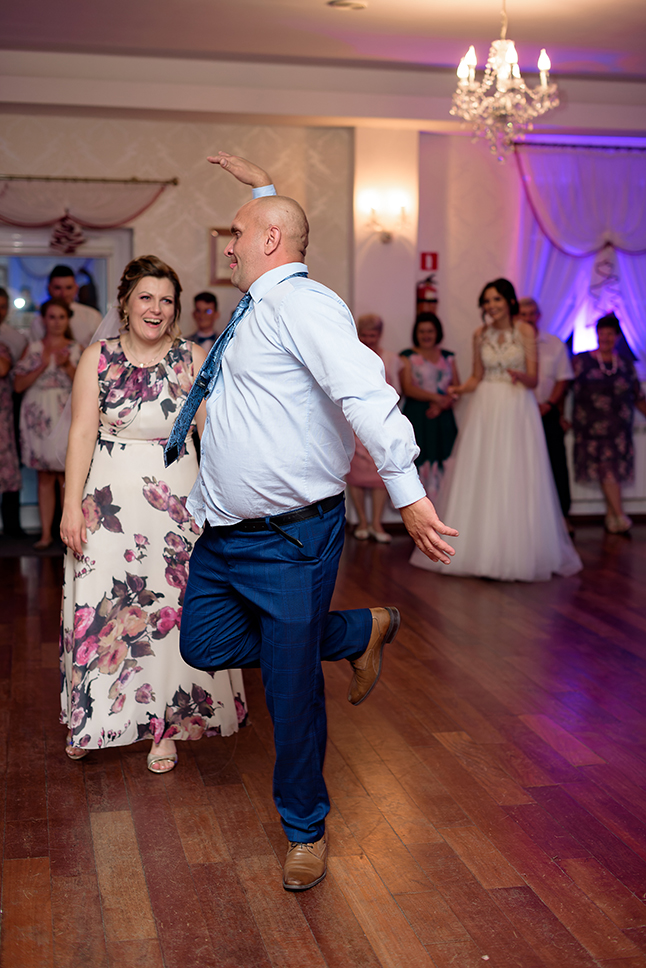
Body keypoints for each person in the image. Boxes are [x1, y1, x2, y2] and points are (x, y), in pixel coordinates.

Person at [163, 151, 457, 892]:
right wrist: (263, 189)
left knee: (290, 692)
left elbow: (365, 391)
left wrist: (406, 491)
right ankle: (357, 632)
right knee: (203, 643)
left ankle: (305, 830)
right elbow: (276, 228)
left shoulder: (304, 304)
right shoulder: (260, 304)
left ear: (268, 242)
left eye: (237, 233)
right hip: (225, 535)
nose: (227, 245)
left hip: (290, 537)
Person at [59, 255, 248, 771]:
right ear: (125, 302)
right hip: (106, 507)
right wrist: (70, 507)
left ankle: (164, 727)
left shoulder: (192, 358)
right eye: (146, 297)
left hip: (177, 510)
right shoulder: (96, 358)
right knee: (102, 610)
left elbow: (212, 435)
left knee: (174, 612)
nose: (156, 309)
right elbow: (81, 433)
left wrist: (225, 508)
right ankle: (93, 719)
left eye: (166, 300)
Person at [410, 278, 581, 582]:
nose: (491, 306)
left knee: (515, 472)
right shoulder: (480, 334)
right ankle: (478, 550)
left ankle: (516, 553)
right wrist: (458, 389)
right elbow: (476, 377)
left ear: (510, 301)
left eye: (496, 299)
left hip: (517, 406)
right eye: (487, 301)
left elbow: (534, 378)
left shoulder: (524, 330)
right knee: (484, 471)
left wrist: (520, 376)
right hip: (486, 406)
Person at [14, 299, 82, 549]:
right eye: (52, 317)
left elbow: (87, 385)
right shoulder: (33, 348)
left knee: (66, 474)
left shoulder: (76, 348)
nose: (56, 322)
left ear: (68, 319)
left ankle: (67, 534)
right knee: (44, 475)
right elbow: (18, 385)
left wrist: (66, 366)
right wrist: (42, 364)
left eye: (61, 317)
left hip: (65, 414)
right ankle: (45, 534)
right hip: (38, 416)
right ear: (43, 319)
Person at [572, 312, 646, 534]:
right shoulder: (582, 361)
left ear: (617, 336)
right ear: (596, 335)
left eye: (610, 334)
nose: (605, 338)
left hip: (618, 429)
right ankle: (619, 516)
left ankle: (612, 516)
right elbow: (567, 389)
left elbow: (637, 396)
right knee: (607, 471)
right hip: (591, 430)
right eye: (602, 333)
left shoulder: (624, 364)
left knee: (611, 471)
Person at [346, 313, 403, 543]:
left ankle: (377, 522)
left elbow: (397, 391)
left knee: (381, 471)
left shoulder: (390, 359)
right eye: (364, 335)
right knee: (355, 473)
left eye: (373, 335)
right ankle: (362, 521)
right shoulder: (350, 356)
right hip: (354, 422)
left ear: (380, 335)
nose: (369, 340)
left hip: (380, 422)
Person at [519, 298, 574, 526]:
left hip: (547, 410)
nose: (528, 318)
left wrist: (550, 405)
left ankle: (563, 517)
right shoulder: (514, 345)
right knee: (523, 464)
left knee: (556, 463)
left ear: (539, 315)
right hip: (520, 413)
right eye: (523, 314)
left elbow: (563, 379)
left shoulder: (554, 343)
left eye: (532, 313)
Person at [400, 313, 459, 499]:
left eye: (430, 331)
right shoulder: (407, 356)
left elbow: (457, 388)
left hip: (443, 418)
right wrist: (436, 398)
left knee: (445, 459)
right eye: (422, 331)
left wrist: (442, 405)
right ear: (415, 333)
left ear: (437, 332)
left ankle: (444, 508)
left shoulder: (449, 357)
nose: (426, 335)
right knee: (418, 460)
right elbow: (407, 388)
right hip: (418, 416)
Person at [0, 287, 27, 537]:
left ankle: (12, 527)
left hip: (5, 412)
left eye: (2, 307)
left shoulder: (13, 339)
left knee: (8, 464)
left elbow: (4, 368)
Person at [30, 265, 102, 347]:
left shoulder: (93, 316)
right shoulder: (37, 322)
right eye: (58, 288)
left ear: (76, 288)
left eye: (68, 288)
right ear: (49, 288)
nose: (63, 294)